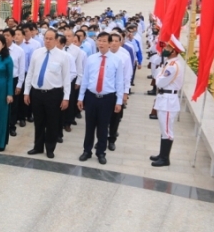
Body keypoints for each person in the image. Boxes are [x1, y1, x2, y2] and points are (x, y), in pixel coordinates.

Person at [77, 32, 124, 165]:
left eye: (104, 41)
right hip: (91, 97)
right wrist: (81, 98)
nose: (101, 43)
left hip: (107, 98)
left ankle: (101, 152)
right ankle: (87, 150)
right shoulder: (91, 58)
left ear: (110, 44)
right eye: (99, 41)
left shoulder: (116, 60)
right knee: (89, 126)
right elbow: (85, 79)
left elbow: (119, 82)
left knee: (103, 127)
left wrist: (119, 101)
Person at [23, 30, 71, 158]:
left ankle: (50, 148)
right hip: (37, 93)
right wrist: (26, 92)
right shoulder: (37, 53)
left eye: (51, 39)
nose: (48, 41)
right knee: (38, 122)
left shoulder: (63, 56)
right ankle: (37, 146)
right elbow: (30, 73)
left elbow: (66, 78)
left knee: (52, 122)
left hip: (53, 94)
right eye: (46, 38)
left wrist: (66, 97)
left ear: (56, 40)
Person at [149, 35, 185, 167]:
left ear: (174, 51)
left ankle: (165, 158)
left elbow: (160, 81)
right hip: (164, 98)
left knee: (167, 130)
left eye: (169, 47)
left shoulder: (173, 66)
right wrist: (159, 76)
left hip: (169, 100)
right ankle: (161, 154)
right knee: (164, 128)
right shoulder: (169, 63)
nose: (165, 48)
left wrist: (159, 76)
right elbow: (158, 77)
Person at [107, 32, 133, 151]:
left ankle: (112, 139)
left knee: (115, 117)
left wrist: (125, 93)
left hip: (118, 91)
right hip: (105, 91)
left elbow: (127, 76)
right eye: (111, 41)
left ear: (120, 42)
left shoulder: (124, 56)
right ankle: (101, 139)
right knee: (102, 119)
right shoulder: (103, 55)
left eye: (116, 41)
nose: (113, 43)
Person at [4, 28, 25, 136]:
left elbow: (21, 69)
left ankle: (12, 126)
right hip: (1, 80)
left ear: (13, 37)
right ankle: (2, 126)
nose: (6, 37)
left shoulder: (19, 50)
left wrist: (19, 84)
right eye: (4, 35)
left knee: (13, 105)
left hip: (13, 79)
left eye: (8, 35)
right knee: (2, 104)